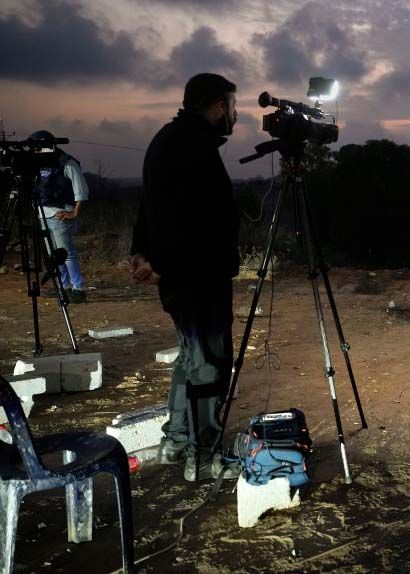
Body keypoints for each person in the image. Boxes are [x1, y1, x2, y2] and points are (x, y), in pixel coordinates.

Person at [129, 73, 240, 482]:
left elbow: (150, 203)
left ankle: (176, 440)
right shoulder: (192, 146)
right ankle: (205, 457)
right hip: (196, 277)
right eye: (232, 105)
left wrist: (142, 251)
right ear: (216, 106)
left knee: (191, 360)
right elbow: (186, 219)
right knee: (209, 367)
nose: (236, 114)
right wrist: (161, 260)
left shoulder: (168, 138)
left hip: (183, 275)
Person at [29, 130, 89, 304]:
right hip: (43, 213)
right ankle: (64, 287)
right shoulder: (39, 164)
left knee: (66, 254)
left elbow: (81, 189)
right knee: (53, 256)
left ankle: (78, 289)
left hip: (60, 213)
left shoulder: (66, 162)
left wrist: (74, 212)